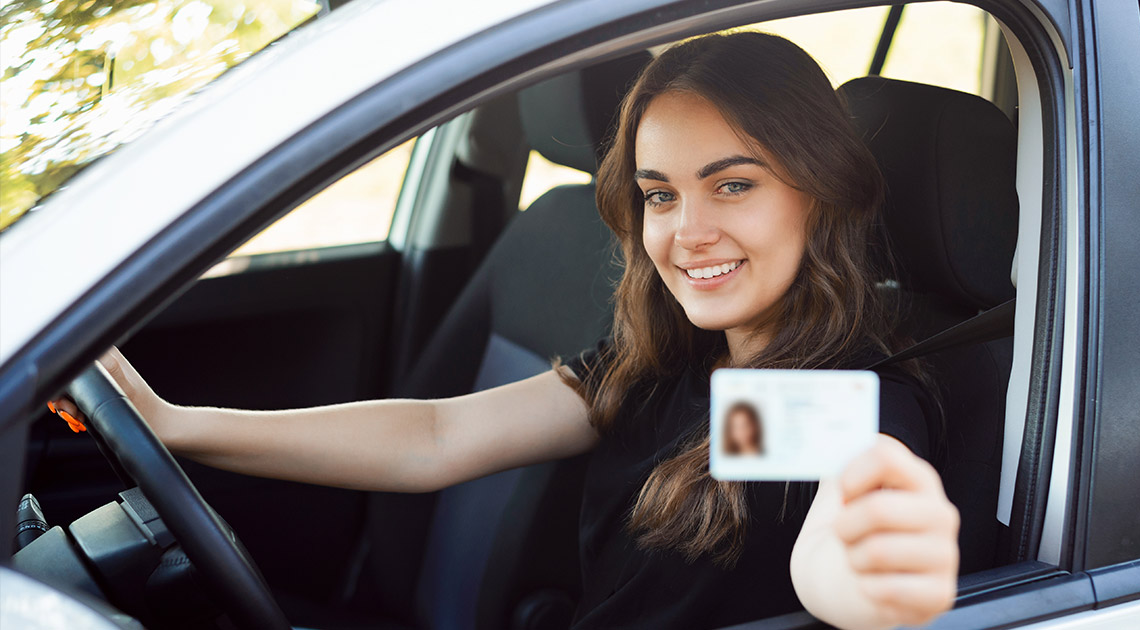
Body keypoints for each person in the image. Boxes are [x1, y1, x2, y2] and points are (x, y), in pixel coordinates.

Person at [55, 31, 960, 630]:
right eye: (659, 195)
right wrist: (171, 424)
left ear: (822, 188)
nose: (687, 233)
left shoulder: (842, 405)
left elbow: (845, 546)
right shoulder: (677, 369)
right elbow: (439, 436)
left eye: (733, 185)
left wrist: (876, 582)